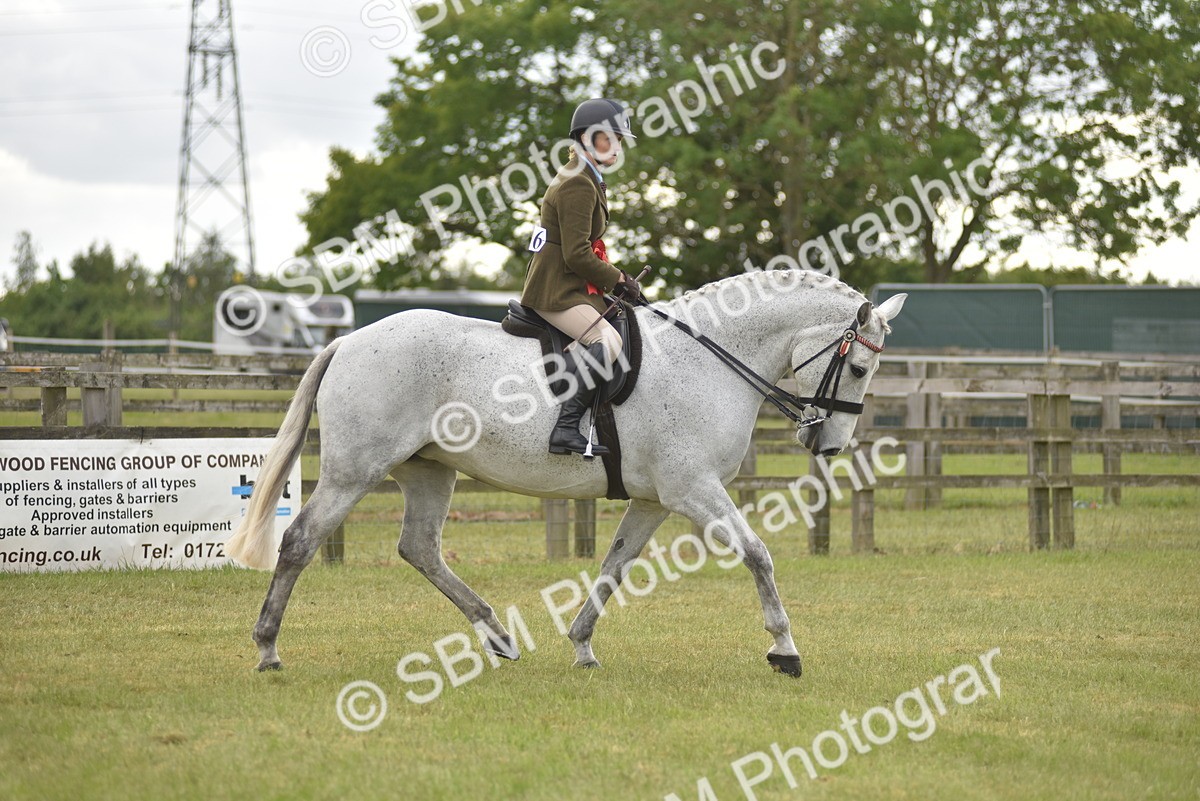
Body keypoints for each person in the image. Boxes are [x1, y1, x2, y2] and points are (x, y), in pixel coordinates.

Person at [520, 98, 644, 456]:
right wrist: (619, 279)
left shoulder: (586, 177)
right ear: (588, 138)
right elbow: (576, 253)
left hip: (571, 284)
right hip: (556, 290)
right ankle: (566, 426)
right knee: (606, 342)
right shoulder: (579, 183)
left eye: (620, 140)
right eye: (611, 139)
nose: (618, 147)